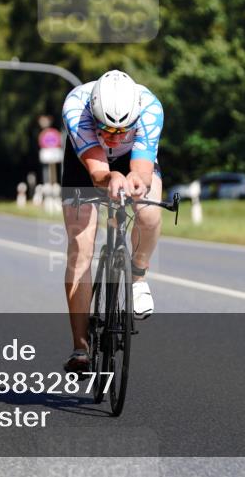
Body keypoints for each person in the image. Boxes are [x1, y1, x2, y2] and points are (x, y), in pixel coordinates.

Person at [60, 69, 164, 374]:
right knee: (80, 249)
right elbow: (98, 173)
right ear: (94, 116)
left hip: (134, 158)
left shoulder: (150, 108)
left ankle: (138, 276)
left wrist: (136, 181)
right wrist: (111, 176)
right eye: (106, 129)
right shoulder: (76, 107)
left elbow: (143, 170)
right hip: (87, 163)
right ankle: (80, 348)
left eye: (122, 131)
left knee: (148, 211)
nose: (113, 137)